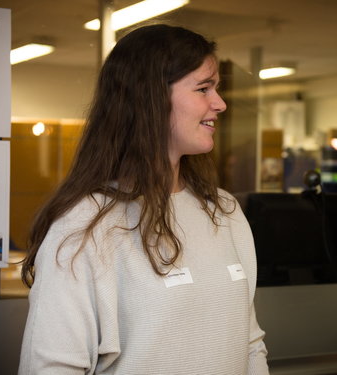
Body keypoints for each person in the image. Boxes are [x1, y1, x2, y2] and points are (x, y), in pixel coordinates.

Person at [18, 24, 269, 375]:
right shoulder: (86, 225)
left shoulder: (223, 211)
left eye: (217, 89)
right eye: (203, 88)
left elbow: (250, 345)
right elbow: (53, 367)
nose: (220, 103)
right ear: (150, 97)